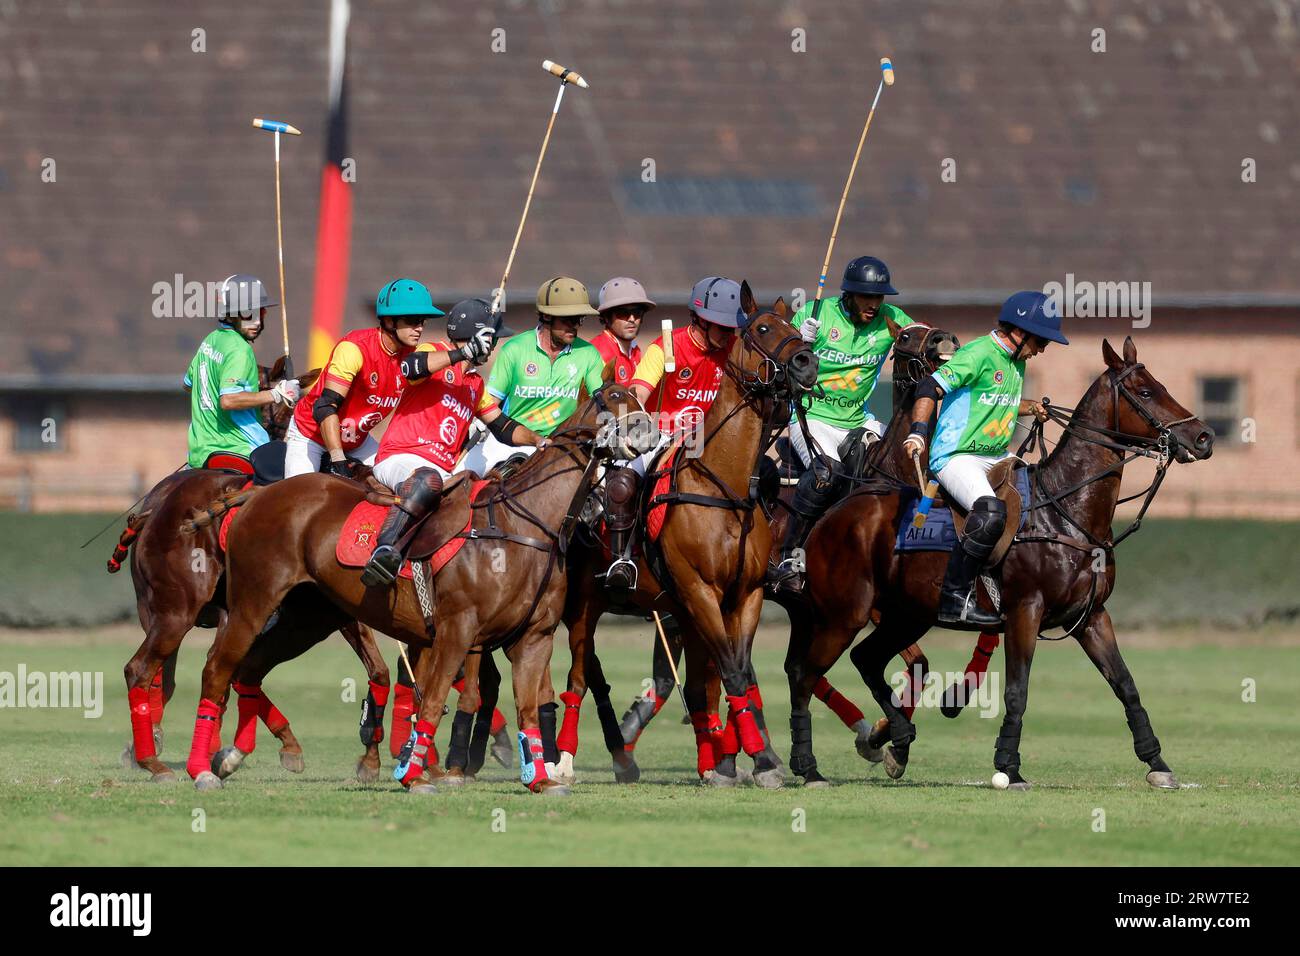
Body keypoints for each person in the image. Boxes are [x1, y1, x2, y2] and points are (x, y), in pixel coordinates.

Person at [901, 290, 1064, 628]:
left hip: (996, 456)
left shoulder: (1016, 360)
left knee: (1039, 501)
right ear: (1019, 332)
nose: (1043, 348)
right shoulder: (978, 354)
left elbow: (996, 399)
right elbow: (929, 388)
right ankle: (955, 597)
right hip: (956, 456)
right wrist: (917, 430)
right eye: (1041, 340)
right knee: (990, 513)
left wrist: (1030, 405)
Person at [360, 297, 537, 588]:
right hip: (400, 458)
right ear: (475, 336)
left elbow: (502, 427)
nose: (494, 348)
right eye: (492, 341)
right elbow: (411, 368)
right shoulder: (433, 353)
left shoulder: (475, 383)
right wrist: (463, 352)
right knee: (428, 480)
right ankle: (384, 550)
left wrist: (538, 441)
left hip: (444, 472)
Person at [770, 255, 914, 593]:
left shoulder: (890, 318)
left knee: (899, 468)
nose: (874, 305)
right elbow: (780, 362)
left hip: (858, 421)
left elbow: (919, 336)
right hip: (812, 417)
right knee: (825, 474)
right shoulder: (816, 314)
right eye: (867, 297)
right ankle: (790, 556)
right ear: (848, 295)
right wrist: (797, 339)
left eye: (879, 298)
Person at [600, 276, 745, 588]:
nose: (728, 334)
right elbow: (637, 393)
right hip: (660, 437)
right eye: (721, 326)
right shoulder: (667, 346)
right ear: (699, 320)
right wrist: (633, 430)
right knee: (623, 483)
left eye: (732, 327)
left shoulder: (734, 349)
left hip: (707, 444)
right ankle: (622, 560)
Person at [283, 279, 440, 478]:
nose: (419, 328)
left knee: (398, 479)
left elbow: (437, 361)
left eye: (422, 321)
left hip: (357, 441)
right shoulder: (354, 348)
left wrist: (464, 353)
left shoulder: (410, 357)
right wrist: (338, 459)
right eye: (412, 320)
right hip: (311, 435)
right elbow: (324, 407)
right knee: (302, 495)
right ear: (389, 321)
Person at [460, 276, 606, 476]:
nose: (575, 325)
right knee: (457, 477)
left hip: (561, 446)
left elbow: (602, 401)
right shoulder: (515, 349)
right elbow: (491, 402)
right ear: (546, 316)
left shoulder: (589, 354)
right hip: (510, 441)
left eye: (579, 319)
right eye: (568, 319)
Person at [183, 274, 299, 472]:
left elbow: (188, 385)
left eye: (260, 313)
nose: (256, 321)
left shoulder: (210, 341)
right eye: (248, 313)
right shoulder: (240, 349)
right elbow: (228, 400)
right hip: (242, 449)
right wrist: (276, 394)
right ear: (231, 314)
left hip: (199, 453)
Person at [590, 276, 652, 385]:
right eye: (623, 313)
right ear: (606, 317)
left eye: (637, 313)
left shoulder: (635, 350)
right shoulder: (597, 354)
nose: (632, 319)